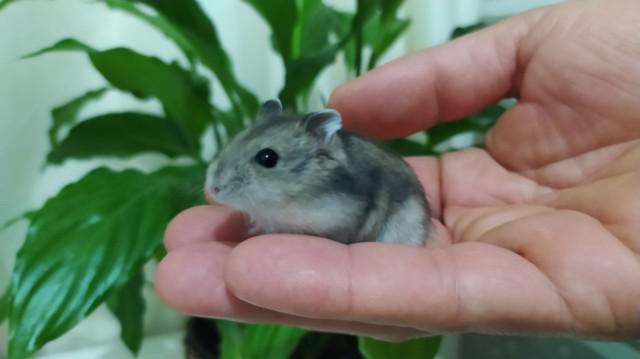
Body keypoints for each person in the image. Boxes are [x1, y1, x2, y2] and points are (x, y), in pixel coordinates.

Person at [156, 0, 640, 340]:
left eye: (266, 161)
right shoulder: (287, 189)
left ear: (321, 146)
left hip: (396, 216)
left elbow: (337, 223)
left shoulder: (336, 187)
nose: (221, 183)